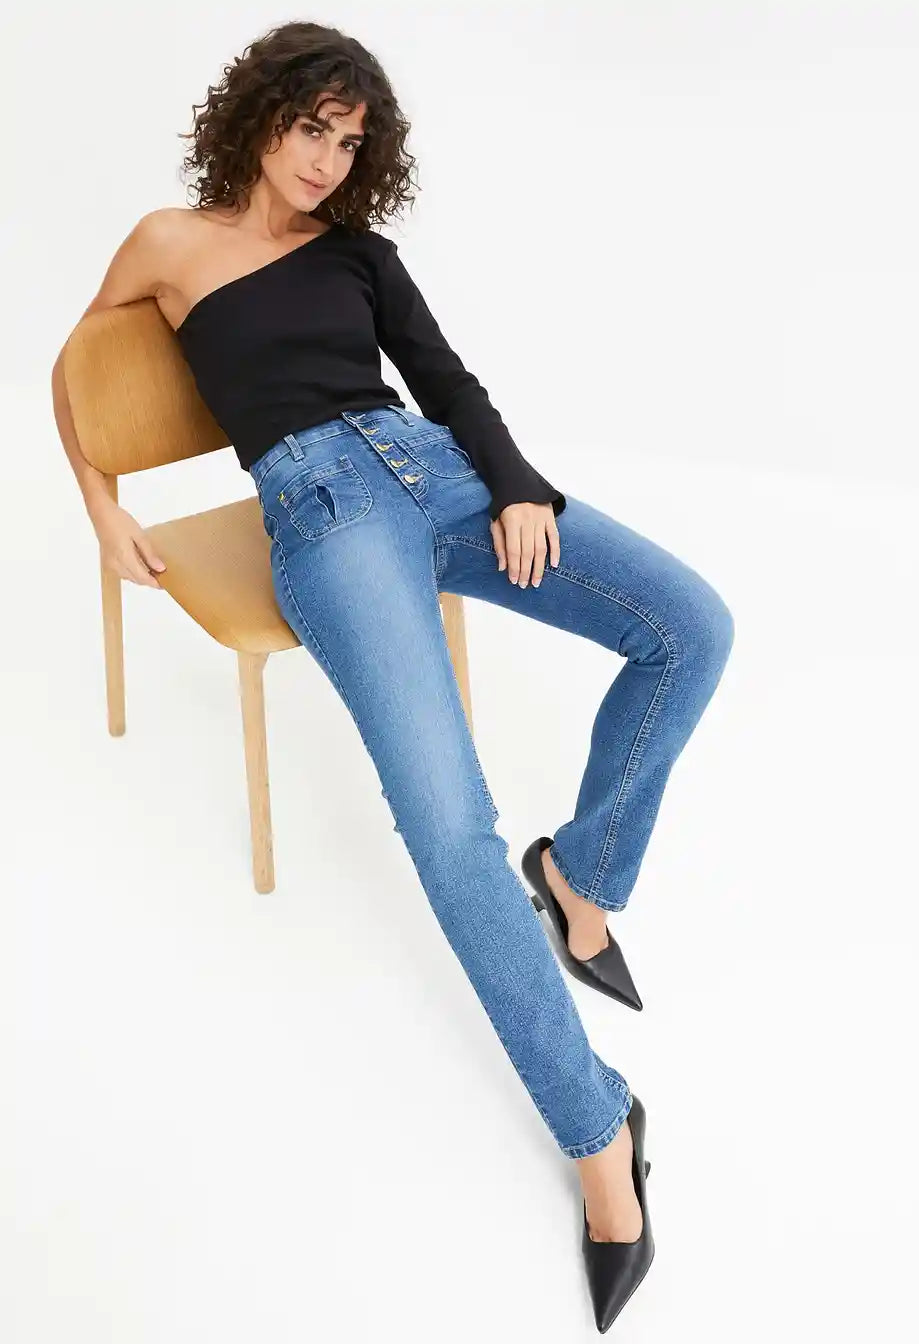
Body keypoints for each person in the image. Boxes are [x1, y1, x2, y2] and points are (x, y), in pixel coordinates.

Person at [51, 20, 735, 1332]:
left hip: (440, 471)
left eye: (350, 141)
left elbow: (447, 382)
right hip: (326, 518)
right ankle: (601, 1137)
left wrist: (519, 487)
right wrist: (100, 509)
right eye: (311, 127)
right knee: (451, 833)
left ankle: (583, 879)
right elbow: (73, 376)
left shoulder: (361, 254)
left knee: (691, 626)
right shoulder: (169, 243)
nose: (326, 158)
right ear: (260, 116)